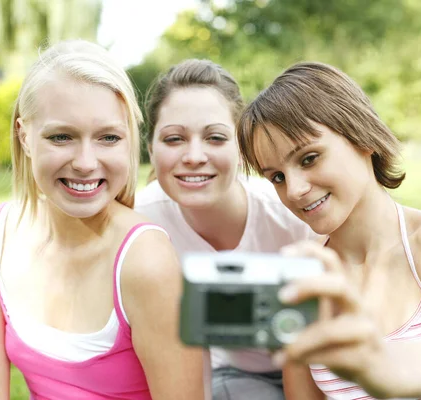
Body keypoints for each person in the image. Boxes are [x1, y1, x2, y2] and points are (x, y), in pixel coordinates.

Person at [236, 61, 421, 400]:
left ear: (362, 137)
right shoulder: (307, 280)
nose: (293, 189)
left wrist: (380, 363)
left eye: (309, 158)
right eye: (276, 177)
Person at [0, 40, 204, 400]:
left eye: (108, 137)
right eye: (62, 137)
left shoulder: (145, 259)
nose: (86, 163)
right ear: (25, 136)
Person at [134, 59, 319, 400]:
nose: (193, 156)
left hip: (321, 364)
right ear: (150, 148)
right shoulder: (140, 225)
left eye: (215, 137)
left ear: (241, 147)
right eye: (174, 139)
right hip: (236, 375)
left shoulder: (291, 214)